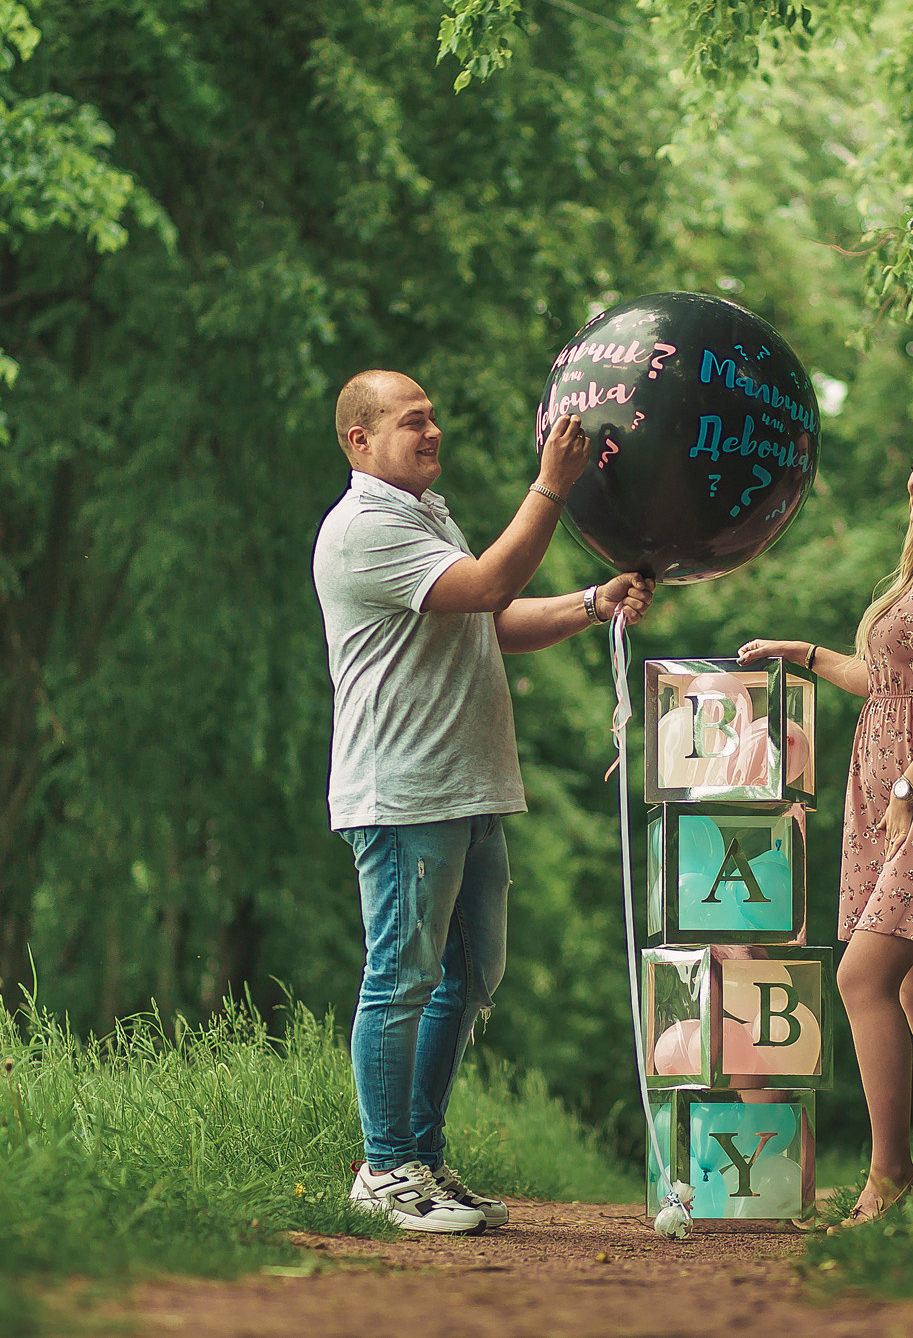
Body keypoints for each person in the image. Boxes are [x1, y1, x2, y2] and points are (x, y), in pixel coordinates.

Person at [315, 369, 654, 1234]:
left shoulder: (423, 515)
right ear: (360, 440)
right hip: (405, 793)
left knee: (466, 978)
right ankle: (384, 1167)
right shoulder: (362, 527)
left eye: (434, 418)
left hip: (465, 789)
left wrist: (590, 601)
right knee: (400, 976)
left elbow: (487, 618)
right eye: (411, 422)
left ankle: (420, 1161)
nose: (432, 432)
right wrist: (551, 485)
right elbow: (489, 585)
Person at [737, 417, 913, 1228]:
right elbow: (888, 680)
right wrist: (806, 655)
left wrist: (905, 787)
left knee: (860, 978)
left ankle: (889, 1171)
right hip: (892, 796)